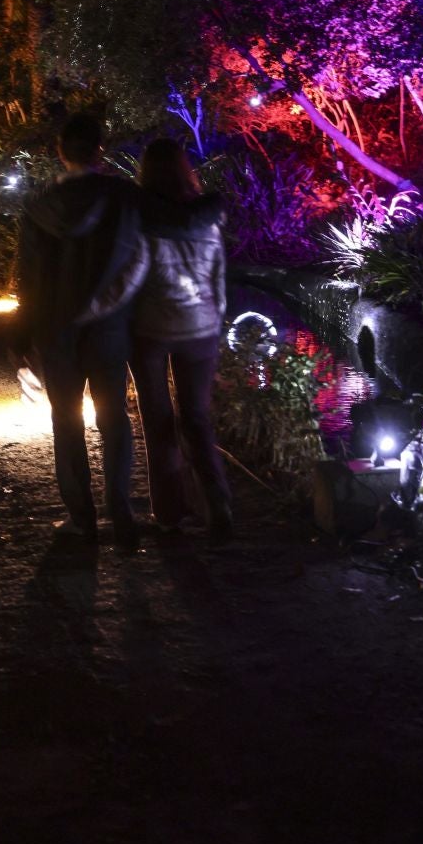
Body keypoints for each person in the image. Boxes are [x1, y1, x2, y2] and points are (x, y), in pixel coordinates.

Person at [15, 113, 147, 550]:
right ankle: (122, 512)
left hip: (56, 325)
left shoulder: (39, 208)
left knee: (66, 419)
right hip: (109, 323)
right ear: (100, 149)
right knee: (114, 417)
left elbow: (28, 277)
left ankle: (81, 517)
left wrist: (24, 332)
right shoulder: (125, 198)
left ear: (60, 151)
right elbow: (141, 259)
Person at [130, 139, 233, 543]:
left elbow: (134, 276)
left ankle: (170, 513)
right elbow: (218, 278)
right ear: (185, 170)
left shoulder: (140, 218)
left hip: (151, 328)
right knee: (196, 418)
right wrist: (216, 320)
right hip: (201, 327)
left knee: (158, 421)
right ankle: (217, 502)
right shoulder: (208, 216)